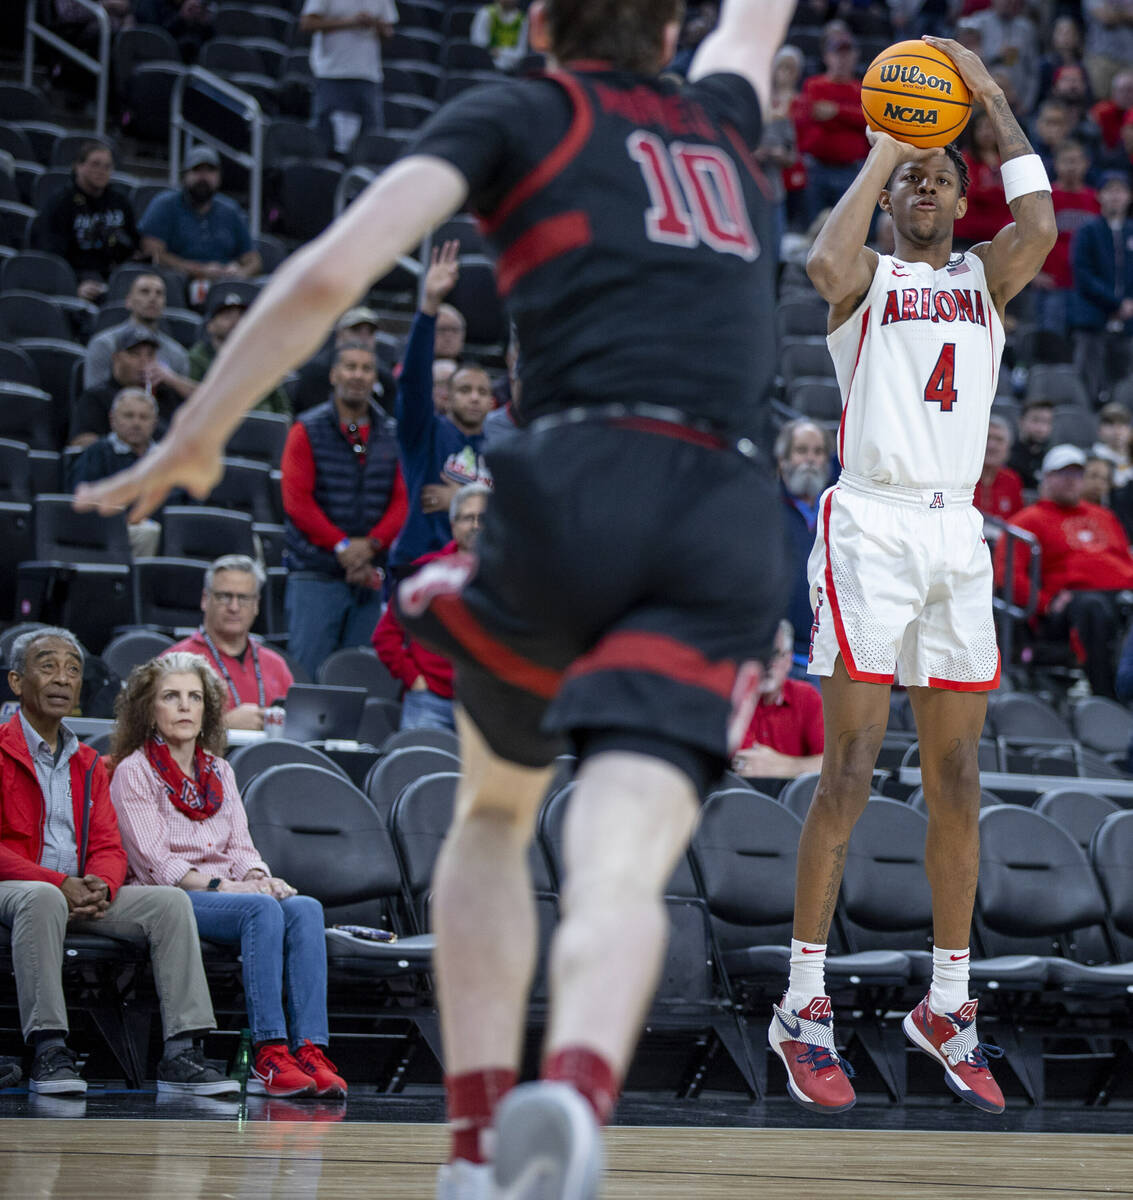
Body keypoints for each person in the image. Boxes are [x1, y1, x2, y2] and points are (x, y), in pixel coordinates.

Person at [74, 2, 795, 1193]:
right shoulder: (719, 114)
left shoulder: (522, 108)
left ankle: (473, 1144)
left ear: (544, 23)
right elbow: (755, 23)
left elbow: (324, 275)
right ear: (669, 30)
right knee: (621, 864)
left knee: (497, 818)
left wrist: (194, 438)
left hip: (572, 479)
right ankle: (574, 1091)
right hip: (724, 507)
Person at [781, 34, 1056, 1117]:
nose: (928, 191)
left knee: (956, 783)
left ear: (960, 190)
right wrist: (882, 144)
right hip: (870, 523)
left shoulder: (987, 277)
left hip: (953, 534)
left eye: (942, 177)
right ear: (894, 195)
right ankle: (800, 1003)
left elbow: (1035, 220)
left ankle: (948, 1005)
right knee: (847, 768)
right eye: (912, 180)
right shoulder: (864, 279)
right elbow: (815, 263)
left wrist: (986, 100)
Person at [0, 628, 236, 1099]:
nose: (62, 678)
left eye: (73, 669)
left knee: (169, 903)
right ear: (16, 682)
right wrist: (57, 881)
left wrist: (103, 885)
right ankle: (49, 1049)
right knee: (44, 897)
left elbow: (109, 845)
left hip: (78, 892)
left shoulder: (89, 762)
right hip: (20, 886)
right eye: (47, 666)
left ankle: (181, 1054)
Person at [109, 653, 345, 1099]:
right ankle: (268, 1052)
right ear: (149, 709)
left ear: (208, 709)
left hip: (231, 892)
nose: (184, 707)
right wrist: (232, 887)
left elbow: (240, 846)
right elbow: (155, 864)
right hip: (173, 897)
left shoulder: (220, 770)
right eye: (171, 697)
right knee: (260, 909)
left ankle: (310, 1048)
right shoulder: (133, 772)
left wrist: (261, 875)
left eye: (194, 697)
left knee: (304, 908)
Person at [280, 339, 407, 677]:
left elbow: (402, 500)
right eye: (350, 367)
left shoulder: (392, 434)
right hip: (316, 573)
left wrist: (371, 546)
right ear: (334, 374)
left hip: (368, 575)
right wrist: (344, 546)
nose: (358, 375)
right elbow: (297, 502)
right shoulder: (306, 429)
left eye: (366, 368)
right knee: (307, 676)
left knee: (358, 680)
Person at [388, 242, 494, 581]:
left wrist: (460, 499)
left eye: (482, 391)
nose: (474, 398)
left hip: (474, 573)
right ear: (445, 397)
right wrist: (429, 307)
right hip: (419, 566)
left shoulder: (501, 450)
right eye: (464, 390)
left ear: (493, 403)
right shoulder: (425, 432)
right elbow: (414, 383)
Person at [996, 443, 1133, 698]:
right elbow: (1008, 575)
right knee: (1092, 607)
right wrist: (1045, 604)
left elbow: (1125, 560)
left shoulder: (1104, 516)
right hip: (1067, 608)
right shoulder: (1026, 521)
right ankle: (1107, 696)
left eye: (1077, 474)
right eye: (1064, 474)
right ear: (1046, 477)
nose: (1072, 481)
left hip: (1120, 595)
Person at [373, 483, 489, 732]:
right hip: (429, 702)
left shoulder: (511, 578)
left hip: (487, 707)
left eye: (484, 518)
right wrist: (414, 679)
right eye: (468, 518)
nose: (476, 526)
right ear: (453, 525)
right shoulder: (425, 572)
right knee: (418, 769)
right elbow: (385, 636)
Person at [166, 555, 294, 731]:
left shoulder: (276, 664)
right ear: (205, 599)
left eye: (243, 598)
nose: (234, 607)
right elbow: (160, 733)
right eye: (225, 596)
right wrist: (223, 726)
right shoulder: (175, 662)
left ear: (256, 604)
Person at [139, 147, 261, 303]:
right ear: (184, 175)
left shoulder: (231, 210)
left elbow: (254, 261)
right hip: (178, 285)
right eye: (197, 170)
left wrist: (239, 273)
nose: (204, 177)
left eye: (210, 171)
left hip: (224, 288)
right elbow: (152, 254)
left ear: (219, 177)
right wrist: (198, 270)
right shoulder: (165, 204)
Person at [30, 140, 139, 302]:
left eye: (107, 166)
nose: (101, 171)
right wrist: (74, 285)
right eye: (95, 164)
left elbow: (133, 246)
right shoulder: (61, 203)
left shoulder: (120, 203)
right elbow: (51, 254)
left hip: (114, 276)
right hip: (76, 277)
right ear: (78, 166)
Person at [66, 387, 164, 556]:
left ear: (154, 423)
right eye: (129, 415)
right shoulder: (96, 453)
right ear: (112, 419)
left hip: (166, 530)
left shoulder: (166, 460)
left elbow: (183, 501)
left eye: (144, 417)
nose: (136, 423)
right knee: (148, 533)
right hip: (110, 529)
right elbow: (82, 501)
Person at [791, 23, 869, 224]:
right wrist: (849, 116)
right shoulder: (814, 84)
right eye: (837, 53)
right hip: (817, 167)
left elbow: (868, 120)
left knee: (848, 229)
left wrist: (836, 111)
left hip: (849, 170)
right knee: (811, 231)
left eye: (847, 53)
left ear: (855, 56)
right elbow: (814, 114)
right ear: (827, 57)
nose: (842, 59)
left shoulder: (863, 89)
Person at [299, 0, 398, 153]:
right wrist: (350, 22)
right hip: (331, 74)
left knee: (371, 145)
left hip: (367, 75)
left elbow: (389, 31)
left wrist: (374, 24)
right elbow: (307, 23)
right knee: (323, 143)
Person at [70, 325, 190, 448]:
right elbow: (81, 443)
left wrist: (174, 380)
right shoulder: (96, 397)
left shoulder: (165, 394)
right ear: (116, 358)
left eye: (150, 355)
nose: (144, 361)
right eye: (135, 354)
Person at [1070, 170, 1133, 405]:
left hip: (1128, 325)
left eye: (1121, 190)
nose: (1116, 196)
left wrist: (1128, 304)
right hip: (1092, 320)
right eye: (1110, 190)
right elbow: (1083, 274)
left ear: (1129, 196)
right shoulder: (1088, 231)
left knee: (1125, 384)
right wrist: (1117, 303)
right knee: (1088, 382)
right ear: (1100, 196)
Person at [731, 620, 823, 780]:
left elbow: (831, 764)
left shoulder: (807, 697)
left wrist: (787, 766)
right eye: (761, 654)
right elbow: (743, 764)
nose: (767, 663)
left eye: (775, 654)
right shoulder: (735, 695)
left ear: (789, 660)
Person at [776, 418, 833, 673]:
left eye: (818, 452)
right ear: (782, 460)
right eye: (801, 451)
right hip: (778, 658)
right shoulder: (765, 507)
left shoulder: (841, 513)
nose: (810, 459)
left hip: (827, 658)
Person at [1032, 139, 1099, 335]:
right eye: (1067, 161)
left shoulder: (1096, 199)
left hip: (1087, 289)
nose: (1072, 167)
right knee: (1052, 344)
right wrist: (1034, 274)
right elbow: (1024, 237)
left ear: (1086, 164)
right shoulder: (1044, 198)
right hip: (1052, 286)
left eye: (1076, 161)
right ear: (1056, 164)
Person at [188, 292, 292, 416]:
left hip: (264, 424)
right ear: (210, 326)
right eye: (227, 316)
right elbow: (193, 400)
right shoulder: (198, 357)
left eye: (241, 316)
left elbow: (282, 405)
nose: (235, 321)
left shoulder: (261, 356)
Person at [84, 271, 191, 389]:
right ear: (128, 301)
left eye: (159, 293)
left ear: (164, 303)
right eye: (144, 291)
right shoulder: (104, 344)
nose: (153, 298)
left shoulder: (177, 354)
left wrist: (171, 379)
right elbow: (94, 395)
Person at [974, 414, 1024, 526]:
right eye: (987, 438)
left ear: (1008, 448)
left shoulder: (1012, 480)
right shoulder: (963, 477)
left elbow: (1017, 525)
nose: (991, 445)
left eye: (999, 440)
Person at [1007, 396, 1055, 491]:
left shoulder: (1052, 458)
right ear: (1021, 421)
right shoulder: (1007, 456)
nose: (1041, 428)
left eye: (1047, 422)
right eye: (1035, 420)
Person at [471, 0, 529, 71]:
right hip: (486, 67)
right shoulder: (486, 13)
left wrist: (500, 52)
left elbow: (521, 53)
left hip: (512, 69)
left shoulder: (522, 19)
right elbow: (478, 45)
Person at [1093, 401, 1133, 486]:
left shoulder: (1130, 455)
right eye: (1110, 423)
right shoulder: (1094, 457)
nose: (1117, 430)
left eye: (1122, 423)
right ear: (1099, 431)